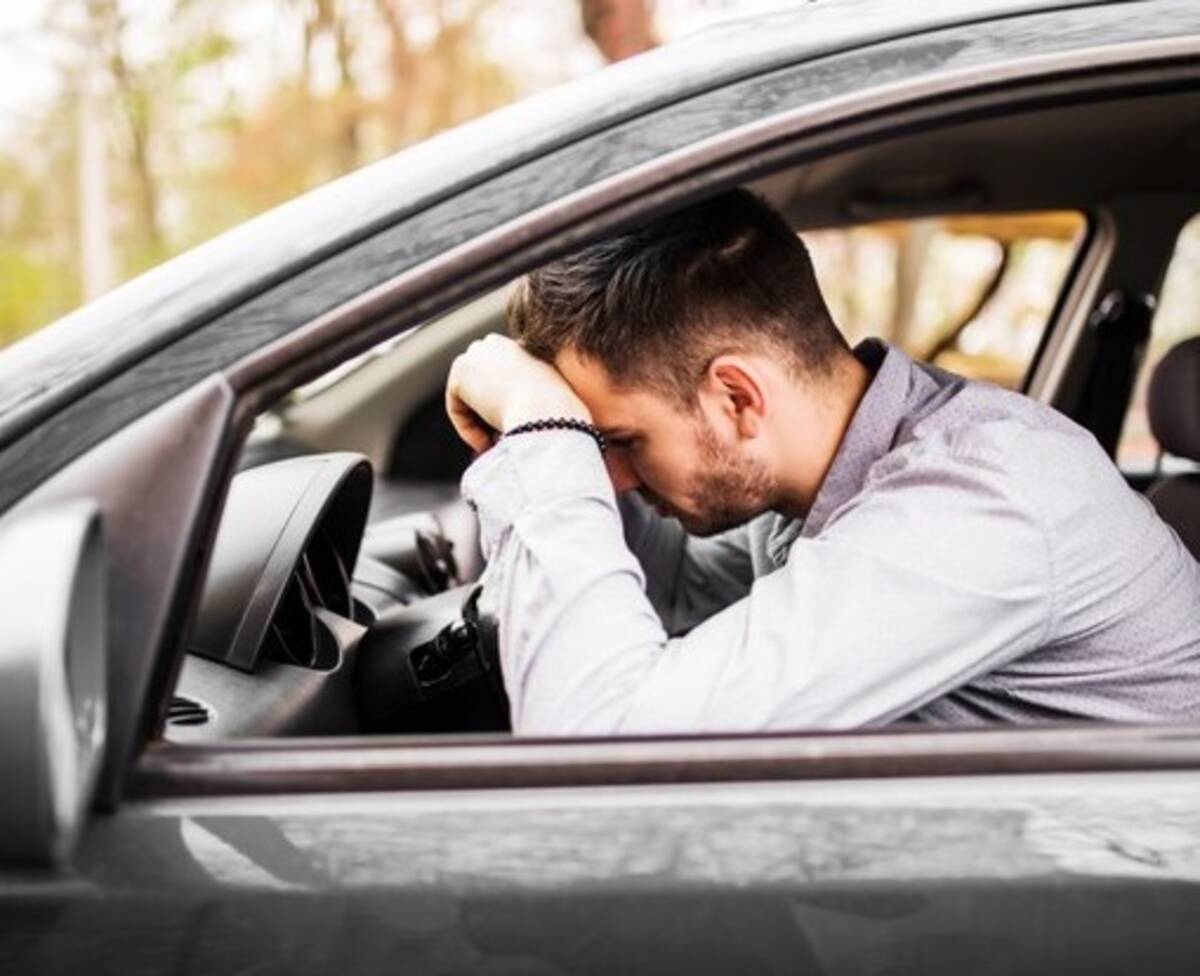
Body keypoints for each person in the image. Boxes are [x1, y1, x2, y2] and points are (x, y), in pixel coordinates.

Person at [444, 188, 1200, 735]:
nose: (611, 480)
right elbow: (670, 591)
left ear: (737, 399)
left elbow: (599, 748)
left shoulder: (979, 497)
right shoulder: (834, 469)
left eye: (619, 442)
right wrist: (543, 435)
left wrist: (548, 438)